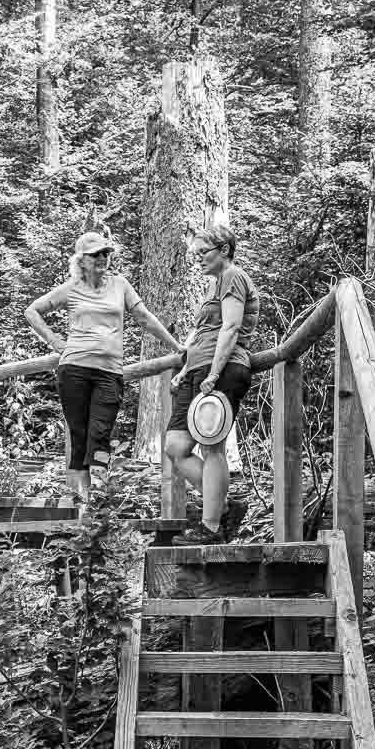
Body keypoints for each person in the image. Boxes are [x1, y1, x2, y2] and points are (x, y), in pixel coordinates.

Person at [24, 231, 181, 503]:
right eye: (95, 254)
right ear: (81, 260)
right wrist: (54, 341)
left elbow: (144, 318)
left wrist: (176, 346)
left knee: (100, 433)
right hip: (74, 369)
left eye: (106, 253)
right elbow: (32, 311)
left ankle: (98, 500)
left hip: (109, 372)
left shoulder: (120, 284)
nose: (102, 258)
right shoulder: (71, 288)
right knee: (80, 435)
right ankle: (80, 505)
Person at [166, 224, 259, 544]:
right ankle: (223, 506)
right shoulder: (215, 284)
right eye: (196, 255)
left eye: (202, 253)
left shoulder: (233, 276)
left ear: (224, 250)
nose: (198, 260)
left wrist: (214, 374)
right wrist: (186, 369)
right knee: (176, 447)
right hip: (199, 370)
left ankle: (211, 527)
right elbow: (205, 334)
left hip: (223, 370)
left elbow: (231, 329)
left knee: (211, 446)